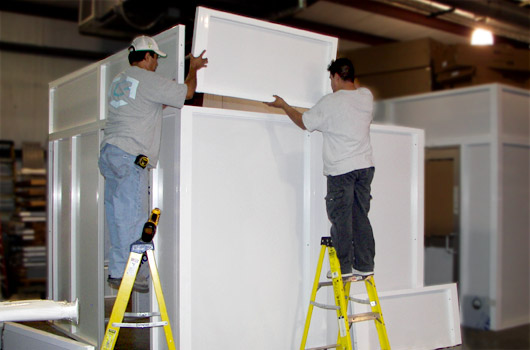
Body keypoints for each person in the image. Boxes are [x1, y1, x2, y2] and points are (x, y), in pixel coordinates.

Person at [98, 35, 208, 292]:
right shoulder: (146, 79)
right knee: (134, 218)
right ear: (146, 56)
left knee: (117, 217)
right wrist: (193, 69)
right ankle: (134, 273)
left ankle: (117, 270)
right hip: (129, 155)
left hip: (110, 152)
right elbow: (188, 92)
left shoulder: (120, 79)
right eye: (156, 58)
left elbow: (147, 101)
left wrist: (164, 91)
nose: (157, 63)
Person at [265, 58, 375, 278]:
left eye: (331, 79)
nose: (331, 85)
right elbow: (354, 89)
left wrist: (284, 105)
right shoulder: (366, 96)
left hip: (342, 170)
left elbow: (304, 122)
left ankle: (343, 269)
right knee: (360, 215)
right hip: (365, 168)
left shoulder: (330, 103)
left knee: (341, 217)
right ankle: (364, 265)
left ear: (336, 76)